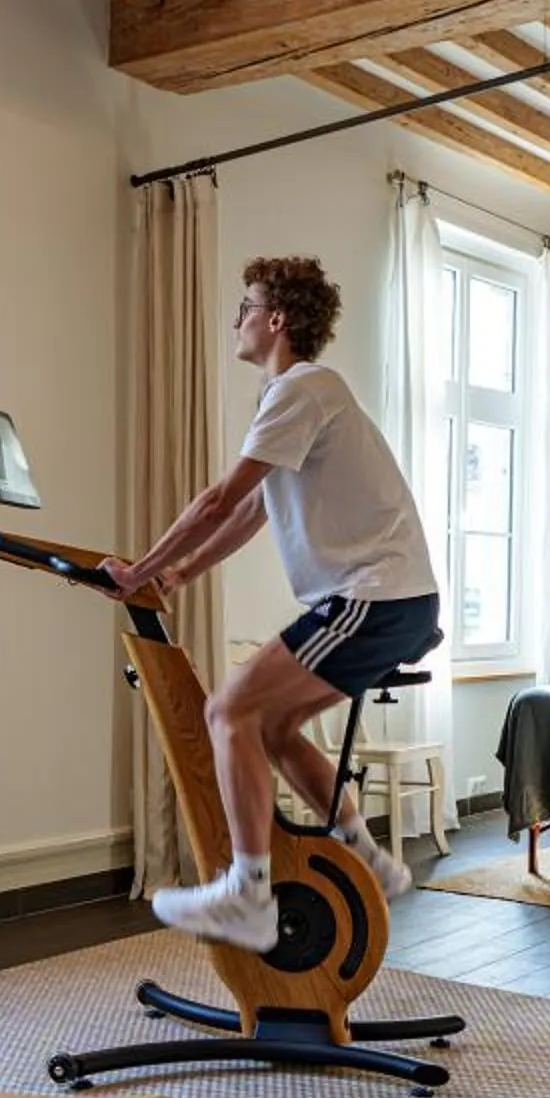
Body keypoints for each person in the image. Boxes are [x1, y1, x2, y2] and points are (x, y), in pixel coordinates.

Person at [104, 257, 441, 949]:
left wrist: (142, 568)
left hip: (372, 596)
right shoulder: (293, 396)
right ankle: (367, 855)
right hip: (387, 599)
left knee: (228, 710)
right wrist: (177, 575)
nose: (238, 318)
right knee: (273, 727)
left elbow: (217, 497)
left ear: (276, 319)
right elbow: (255, 509)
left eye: (246, 305)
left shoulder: (303, 386)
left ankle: (247, 897)